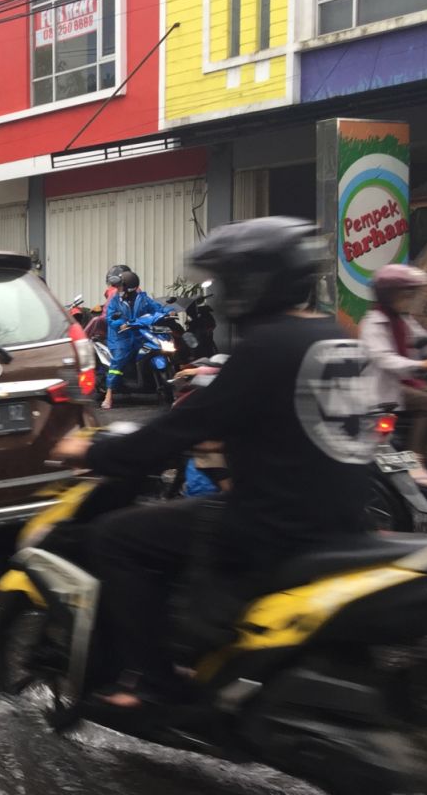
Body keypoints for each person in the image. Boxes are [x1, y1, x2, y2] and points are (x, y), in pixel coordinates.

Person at [52, 216, 371, 709]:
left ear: (253, 283)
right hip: (346, 518)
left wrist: (91, 450)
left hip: (273, 521)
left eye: (226, 279)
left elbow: (181, 429)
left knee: (116, 537)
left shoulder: (267, 346)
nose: (220, 292)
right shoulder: (336, 336)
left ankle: (157, 686)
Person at [359, 264, 427, 485]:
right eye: (405, 294)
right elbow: (384, 358)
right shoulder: (373, 323)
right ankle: (415, 459)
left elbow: (422, 340)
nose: (408, 299)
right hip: (384, 391)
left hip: (404, 382)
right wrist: (421, 364)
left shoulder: (402, 320)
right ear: (388, 295)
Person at [102, 271, 166, 410]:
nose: (117, 288)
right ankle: (109, 395)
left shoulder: (143, 298)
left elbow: (156, 308)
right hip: (121, 337)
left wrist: (168, 312)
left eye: (120, 286)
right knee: (118, 362)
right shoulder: (114, 300)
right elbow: (110, 317)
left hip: (139, 334)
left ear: (128, 287)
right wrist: (121, 323)